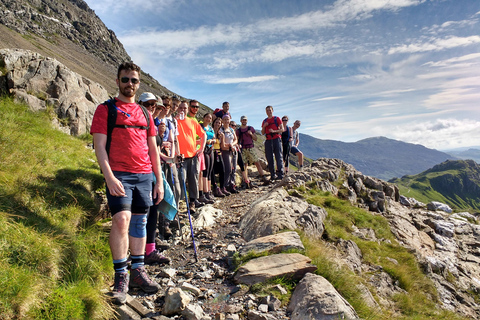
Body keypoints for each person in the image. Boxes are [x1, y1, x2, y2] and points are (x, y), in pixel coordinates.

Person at [90, 62, 162, 305]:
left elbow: (153, 149)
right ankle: (121, 275)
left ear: (138, 83)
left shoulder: (145, 114)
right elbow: (99, 146)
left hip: (144, 175)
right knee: (121, 220)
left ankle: (138, 271)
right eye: (125, 80)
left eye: (133, 80)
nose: (129, 84)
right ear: (117, 81)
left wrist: (159, 180)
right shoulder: (105, 109)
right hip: (119, 173)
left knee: (140, 221)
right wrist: (109, 177)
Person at [137, 93, 174, 261]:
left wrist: (168, 158)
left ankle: (149, 249)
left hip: (151, 169)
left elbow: (154, 150)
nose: (152, 108)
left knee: (152, 208)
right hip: (141, 170)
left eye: (155, 105)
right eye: (149, 104)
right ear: (140, 103)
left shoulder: (151, 122)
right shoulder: (139, 121)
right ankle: (139, 251)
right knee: (142, 211)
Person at [176, 101, 206, 213]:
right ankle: (180, 203)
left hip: (192, 155)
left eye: (184, 108)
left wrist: (201, 149)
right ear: (178, 109)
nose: (183, 110)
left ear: (187, 109)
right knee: (181, 180)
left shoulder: (192, 121)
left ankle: (192, 202)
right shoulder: (175, 121)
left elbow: (203, 134)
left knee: (193, 179)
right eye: (181, 108)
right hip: (180, 157)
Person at [237, 115, 267, 183]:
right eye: (243, 120)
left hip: (251, 147)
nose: (244, 121)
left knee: (257, 163)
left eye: (245, 120)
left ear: (246, 121)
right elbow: (237, 139)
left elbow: (255, 138)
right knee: (244, 165)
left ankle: (263, 177)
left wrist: (251, 134)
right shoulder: (238, 130)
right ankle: (246, 180)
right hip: (243, 149)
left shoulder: (250, 128)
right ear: (241, 121)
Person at [261, 105, 284, 183]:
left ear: (272, 111)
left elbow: (282, 129)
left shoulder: (277, 119)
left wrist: (274, 131)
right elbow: (262, 132)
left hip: (276, 139)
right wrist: (264, 126)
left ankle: (280, 174)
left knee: (278, 157)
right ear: (266, 112)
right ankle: (272, 175)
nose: (269, 112)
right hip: (268, 140)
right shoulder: (264, 121)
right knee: (269, 158)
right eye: (267, 110)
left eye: (270, 110)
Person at [230, 120, 253, 189]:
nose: (233, 127)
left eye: (235, 126)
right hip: (230, 151)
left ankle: (246, 181)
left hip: (237, 150)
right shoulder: (228, 132)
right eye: (232, 125)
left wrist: (239, 144)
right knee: (232, 167)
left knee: (242, 165)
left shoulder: (235, 133)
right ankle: (232, 183)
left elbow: (238, 140)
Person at [220, 114, 239, 193]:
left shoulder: (231, 129)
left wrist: (233, 144)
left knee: (233, 168)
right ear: (222, 120)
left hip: (233, 150)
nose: (226, 121)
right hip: (225, 151)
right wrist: (229, 146)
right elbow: (222, 143)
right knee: (228, 169)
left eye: (227, 119)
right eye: (225, 119)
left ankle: (232, 184)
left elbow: (235, 139)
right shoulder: (221, 130)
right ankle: (225, 185)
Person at [200, 113, 216, 202]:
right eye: (207, 117)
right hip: (204, 149)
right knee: (205, 172)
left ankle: (209, 191)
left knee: (210, 171)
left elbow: (214, 138)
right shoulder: (200, 126)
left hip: (210, 150)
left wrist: (212, 140)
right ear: (203, 118)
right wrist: (206, 141)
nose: (208, 119)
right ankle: (205, 192)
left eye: (210, 118)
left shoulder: (211, 128)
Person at [211, 117, 228, 197]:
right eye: (216, 122)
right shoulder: (210, 132)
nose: (217, 124)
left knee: (222, 170)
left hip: (218, 152)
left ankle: (222, 187)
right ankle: (215, 188)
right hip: (211, 152)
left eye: (219, 123)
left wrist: (222, 138)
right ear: (213, 123)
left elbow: (223, 146)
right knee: (212, 171)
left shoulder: (221, 134)